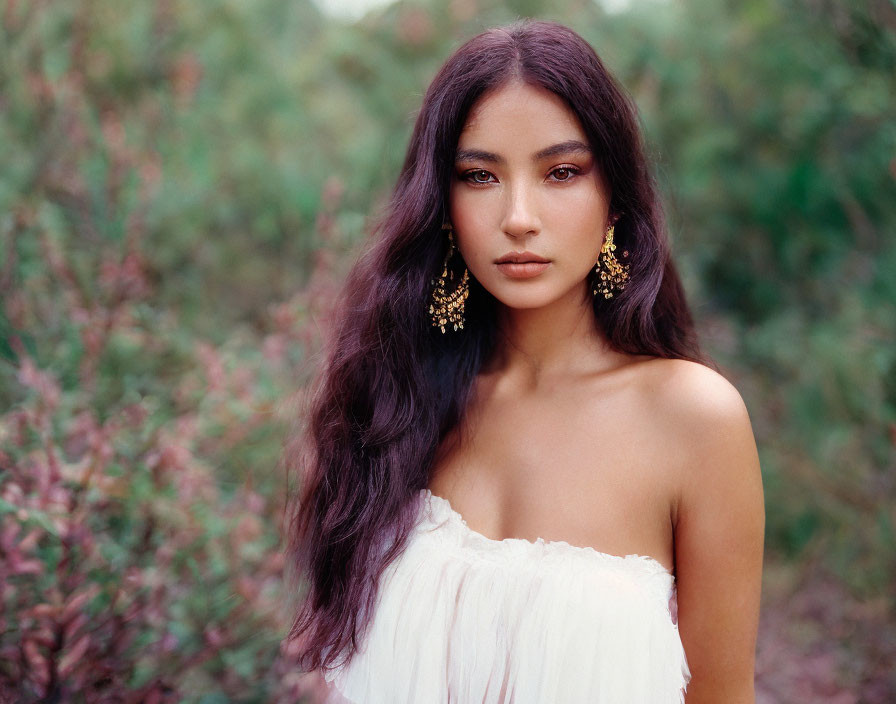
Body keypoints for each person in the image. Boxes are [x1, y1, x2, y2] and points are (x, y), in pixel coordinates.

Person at [287, 19, 764, 704]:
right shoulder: (396, 404)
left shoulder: (692, 418)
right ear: (443, 208)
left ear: (614, 202)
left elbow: (721, 696)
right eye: (479, 176)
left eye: (561, 172)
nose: (518, 216)